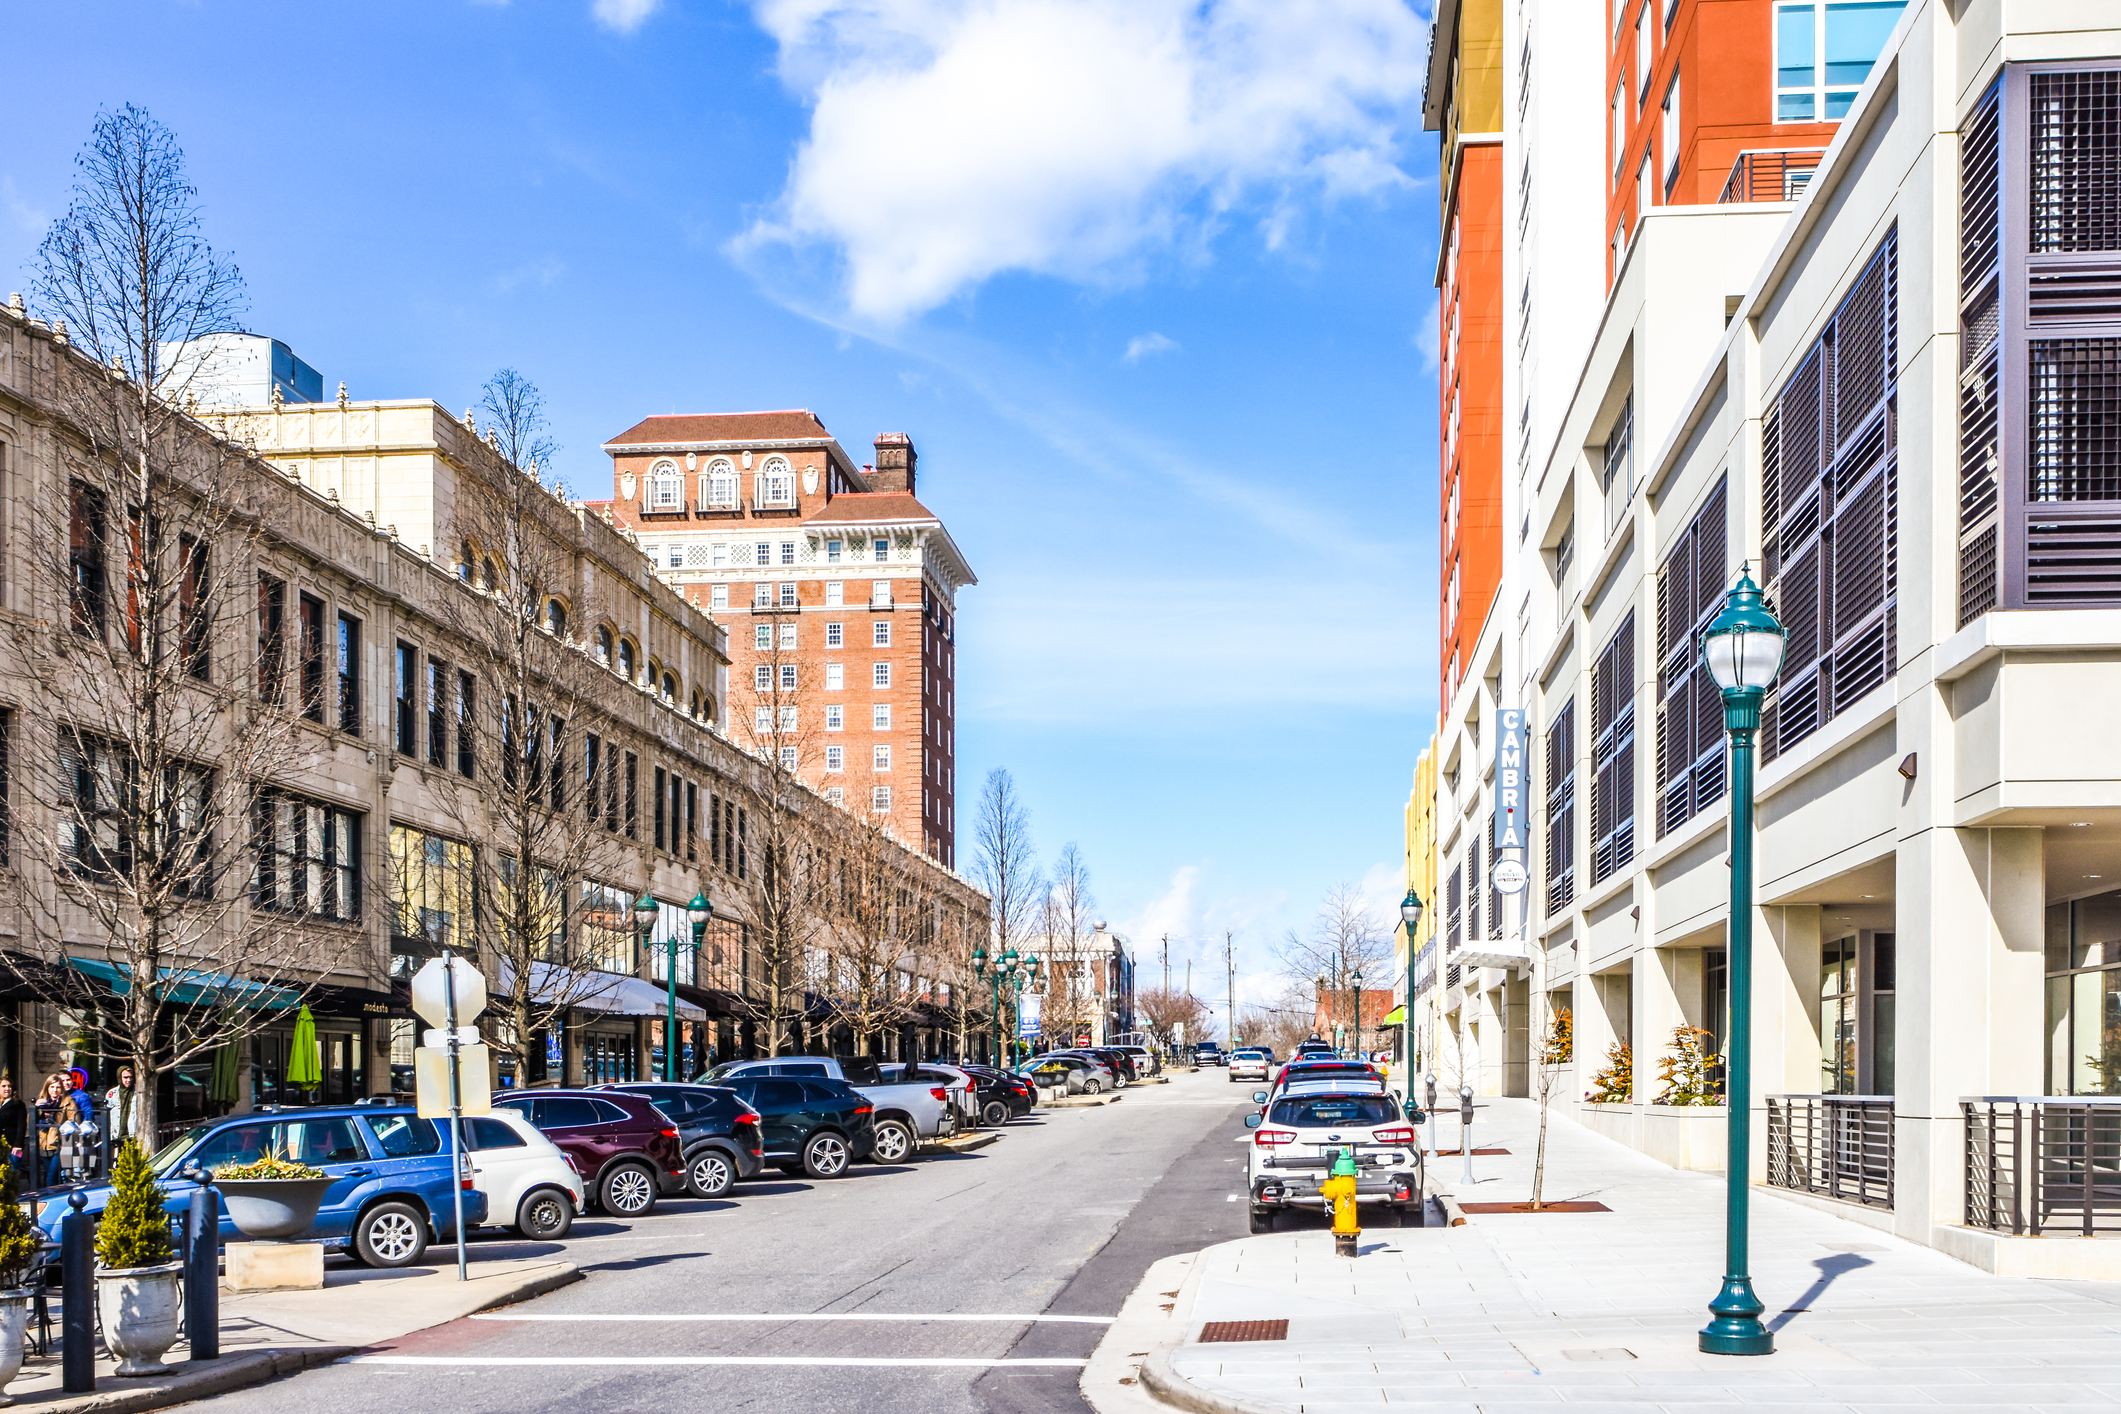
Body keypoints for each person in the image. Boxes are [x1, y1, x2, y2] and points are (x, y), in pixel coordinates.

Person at [35, 1075, 68, 1189]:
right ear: (47, 1088)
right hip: (44, 1144)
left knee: (51, 1176)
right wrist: (36, 1108)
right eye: (52, 1087)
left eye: (58, 1087)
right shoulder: (42, 1101)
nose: (55, 1090)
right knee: (49, 1174)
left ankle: (51, 1198)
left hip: (60, 1144)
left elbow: (74, 1120)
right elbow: (31, 1121)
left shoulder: (67, 1101)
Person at [104, 1066, 140, 1148]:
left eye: (131, 1077)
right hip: (117, 1137)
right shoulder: (112, 1094)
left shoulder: (139, 1092)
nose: (128, 1080)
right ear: (120, 1078)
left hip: (133, 1136)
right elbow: (107, 1116)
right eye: (125, 1077)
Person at [0, 1078, 24, 1172]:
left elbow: (21, 1126)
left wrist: (18, 1145)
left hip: (13, 1146)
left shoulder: (18, 1104)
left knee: (13, 1172)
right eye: (4, 1086)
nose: (7, 1088)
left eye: (9, 1086)